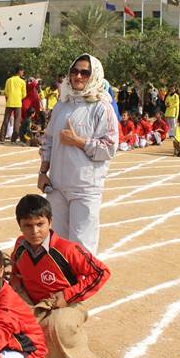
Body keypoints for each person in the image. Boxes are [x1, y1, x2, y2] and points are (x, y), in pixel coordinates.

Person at [9, 194, 110, 358]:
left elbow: (101, 272)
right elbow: (15, 265)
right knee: (4, 318)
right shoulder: (20, 245)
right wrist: (16, 280)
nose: (34, 231)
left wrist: (67, 295)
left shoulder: (67, 250)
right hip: (33, 304)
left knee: (60, 326)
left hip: (65, 306)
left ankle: (70, 356)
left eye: (40, 224)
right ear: (19, 226)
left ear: (50, 222)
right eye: (28, 226)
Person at [37, 54, 118, 254]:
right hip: (56, 185)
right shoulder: (62, 105)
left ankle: (82, 285)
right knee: (57, 243)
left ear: (94, 75)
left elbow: (109, 147)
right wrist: (42, 172)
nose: (78, 76)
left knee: (82, 245)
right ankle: (61, 284)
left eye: (84, 72)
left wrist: (78, 142)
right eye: (74, 71)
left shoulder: (101, 107)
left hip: (85, 187)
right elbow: (48, 141)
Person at [0, 66, 26, 143]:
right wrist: (18, 97)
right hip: (18, 103)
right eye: (22, 71)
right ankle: (13, 139)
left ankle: (2, 139)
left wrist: (10, 97)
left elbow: (6, 92)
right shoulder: (22, 82)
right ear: (19, 71)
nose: (23, 73)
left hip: (9, 102)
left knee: (6, 120)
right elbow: (24, 94)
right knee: (17, 121)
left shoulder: (9, 80)